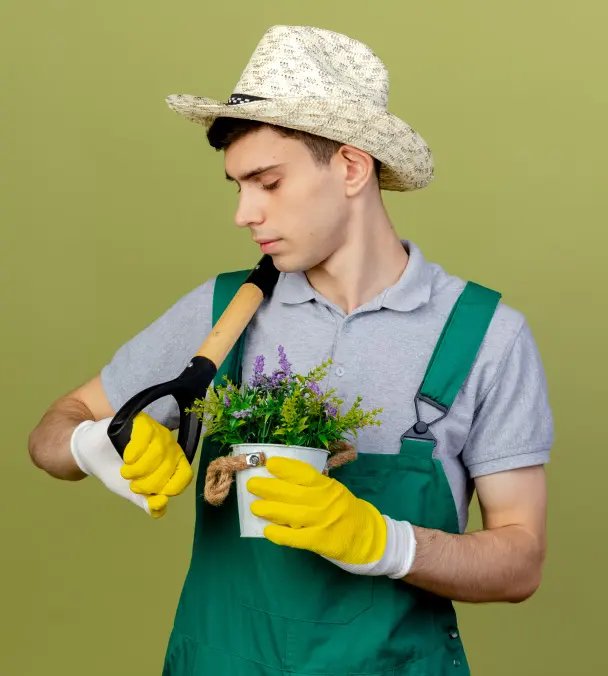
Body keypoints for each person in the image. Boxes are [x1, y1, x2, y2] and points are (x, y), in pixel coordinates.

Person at [28, 25, 554, 675]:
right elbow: (52, 432)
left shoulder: (485, 336)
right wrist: (93, 444)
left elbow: (519, 562)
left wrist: (382, 543)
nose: (244, 213)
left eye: (268, 182)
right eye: (237, 186)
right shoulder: (223, 313)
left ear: (352, 167)